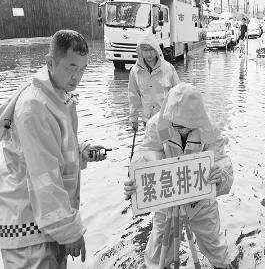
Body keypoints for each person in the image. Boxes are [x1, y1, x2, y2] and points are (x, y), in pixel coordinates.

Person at [0, 30, 107, 268]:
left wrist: (81, 152)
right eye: (71, 67)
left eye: (82, 69)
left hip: (44, 227)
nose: (77, 76)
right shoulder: (34, 106)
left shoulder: (55, 97)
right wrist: (70, 231)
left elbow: (53, 151)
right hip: (28, 230)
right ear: (50, 62)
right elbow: (43, 177)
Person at [124, 82, 233, 269]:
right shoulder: (157, 125)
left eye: (187, 128)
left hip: (200, 202)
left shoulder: (209, 129)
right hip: (168, 198)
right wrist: (136, 182)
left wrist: (220, 176)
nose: (181, 130)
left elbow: (222, 161)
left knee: (215, 247)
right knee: (159, 252)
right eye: (177, 126)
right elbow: (146, 154)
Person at [128, 34, 180, 132]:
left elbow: (178, 93)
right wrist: (134, 119)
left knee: (165, 145)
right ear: (140, 51)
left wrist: (179, 118)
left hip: (165, 119)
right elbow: (133, 97)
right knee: (151, 146)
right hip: (148, 120)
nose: (149, 54)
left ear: (156, 49)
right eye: (145, 50)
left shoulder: (168, 68)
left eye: (151, 49)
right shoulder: (135, 72)